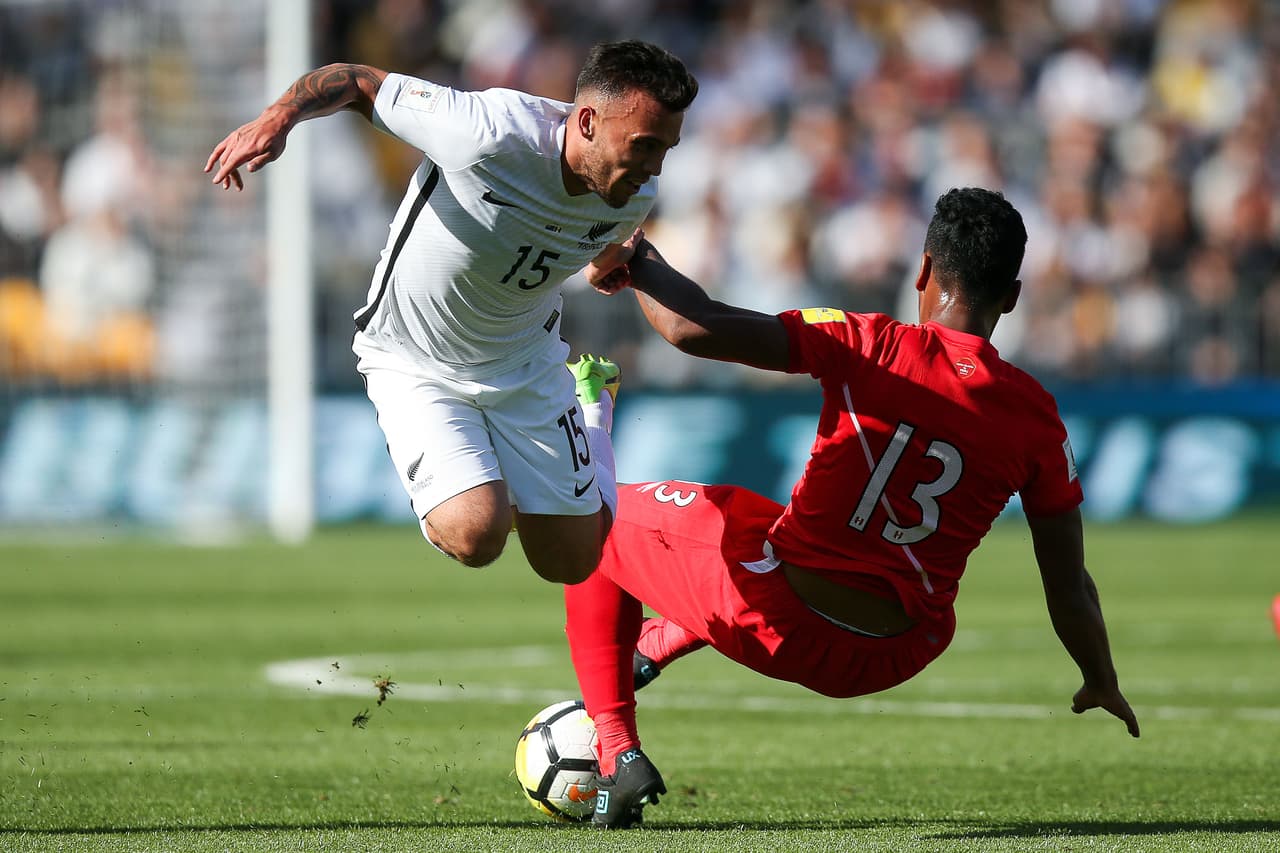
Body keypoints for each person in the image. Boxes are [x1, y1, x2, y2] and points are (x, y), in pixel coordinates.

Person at [564, 188, 1141, 829]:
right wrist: (1100, 676)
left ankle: (615, 751)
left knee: (591, 509)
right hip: (890, 655)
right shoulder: (1037, 417)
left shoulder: (868, 341)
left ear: (922, 272)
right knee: (748, 517)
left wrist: (639, 257)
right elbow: (1069, 586)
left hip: (780, 619)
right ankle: (666, 636)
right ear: (1012, 296)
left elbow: (691, 327)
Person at [205, 42, 697, 582]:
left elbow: (589, 237)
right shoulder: (487, 131)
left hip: (526, 365)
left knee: (573, 563)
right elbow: (353, 79)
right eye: (644, 145)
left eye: (665, 150)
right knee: (475, 535)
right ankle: (488, 490)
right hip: (413, 359)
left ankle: (592, 409)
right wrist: (278, 119)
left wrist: (609, 263)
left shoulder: (634, 189)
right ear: (585, 121)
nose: (653, 166)